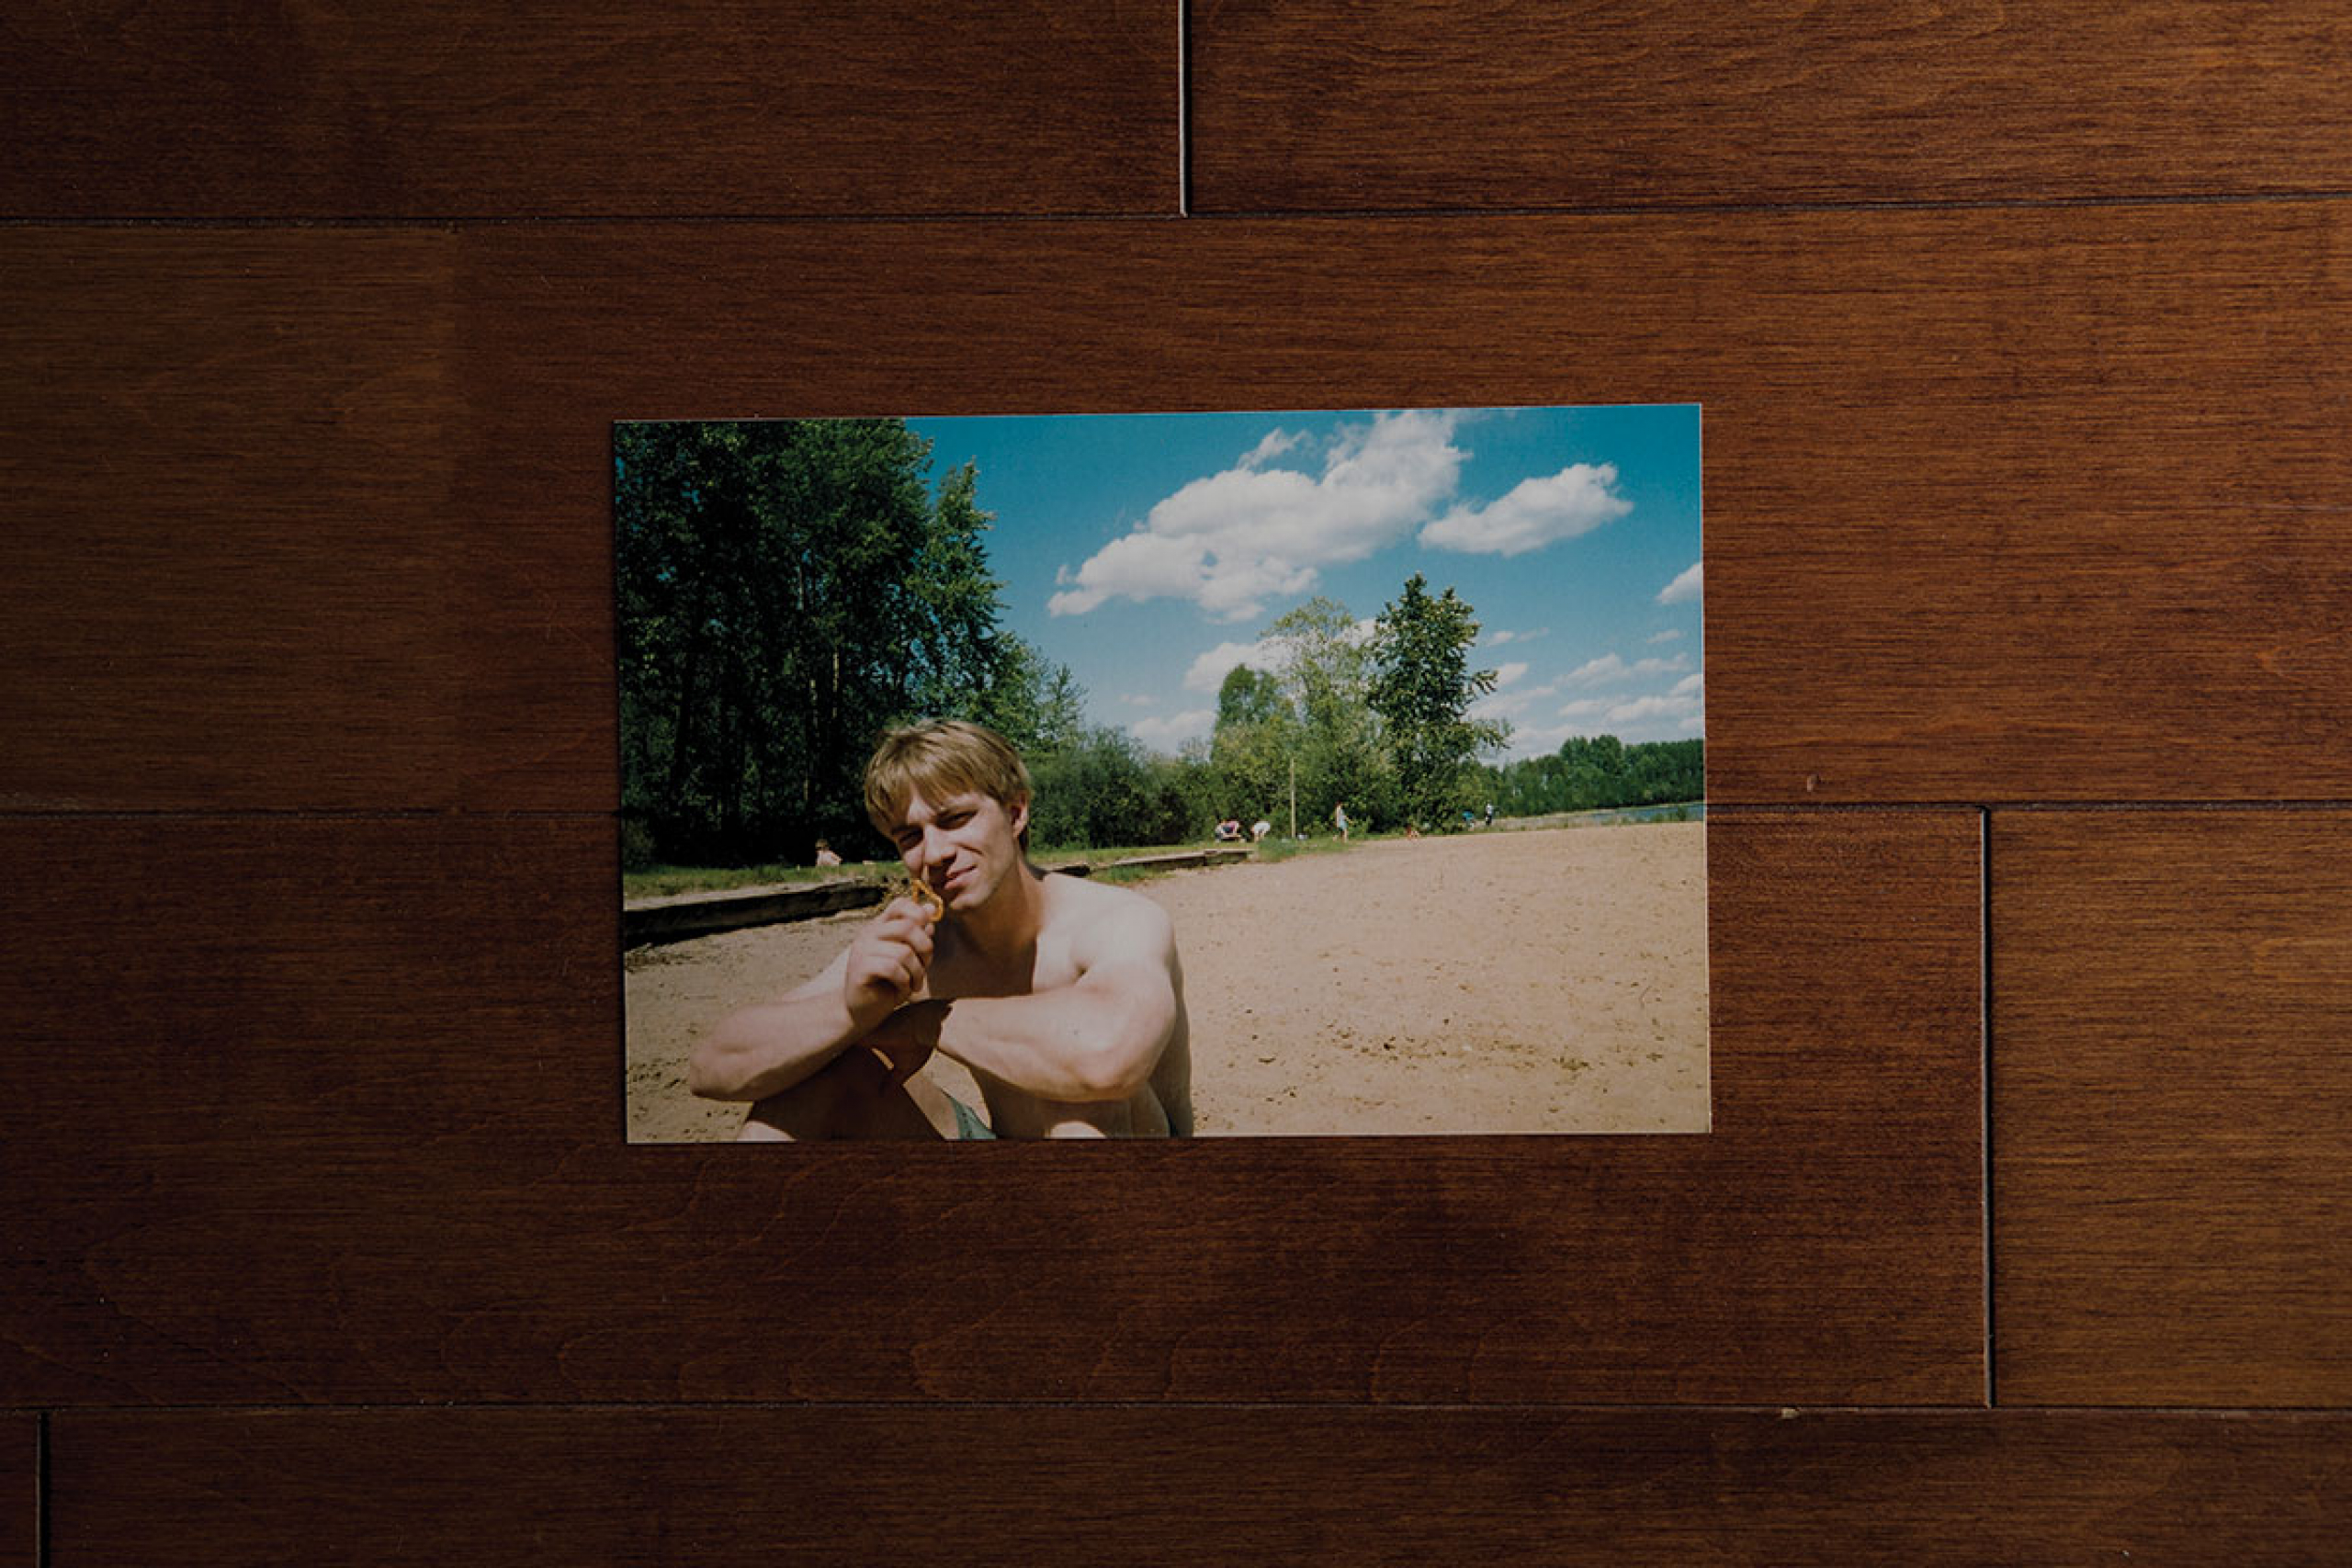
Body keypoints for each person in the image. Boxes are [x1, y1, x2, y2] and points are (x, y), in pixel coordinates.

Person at [689, 719, 1193, 1140]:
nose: (933, 854)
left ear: (1016, 813)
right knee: (811, 1088)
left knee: (1080, 1105)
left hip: (1144, 1174)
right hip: (1001, 1147)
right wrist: (851, 1011)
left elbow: (1108, 1056)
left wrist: (925, 1021)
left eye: (955, 820)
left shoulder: (1116, 919)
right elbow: (711, 1067)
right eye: (910, 836)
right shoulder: (924, 942)